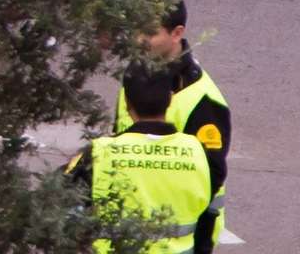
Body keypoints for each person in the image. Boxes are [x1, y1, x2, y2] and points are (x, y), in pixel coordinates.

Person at [115, 0, 234, 249]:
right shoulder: (137, 76)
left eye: (149, 32)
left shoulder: (202, 101)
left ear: (177, 33)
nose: (138, 40)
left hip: (181, 239)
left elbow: (210, 181)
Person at [70, 73, 215, 254]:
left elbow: (62, 210)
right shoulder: (198, 152)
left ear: (127, 103)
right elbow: (208, 219)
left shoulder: (99, 152)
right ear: (170, 99)